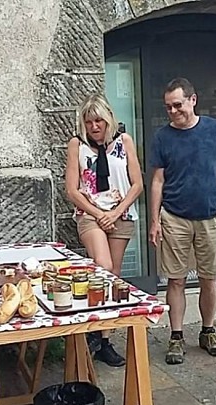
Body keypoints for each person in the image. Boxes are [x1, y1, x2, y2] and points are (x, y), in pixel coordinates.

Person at [149, 77, 216, 365]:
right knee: (175, 279)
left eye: (178, 105)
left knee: (209, 279)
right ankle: (176, 336)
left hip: (209, 216)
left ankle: (208, 330)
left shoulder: (214, 128)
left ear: (193, 100)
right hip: (174, 216)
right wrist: (154, 220)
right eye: (168, 107)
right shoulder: (162, 137)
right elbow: (157, 181)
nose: (173, 111)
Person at [65, 93, 144, 367]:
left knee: (113, 275)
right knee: (103, 265)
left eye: (98, 120)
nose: (94, 126)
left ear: (108, 119)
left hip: (120, 214)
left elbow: (137, 184)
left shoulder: (124, 141)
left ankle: (104, 339)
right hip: (90, 214)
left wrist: (115, 213)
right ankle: (91, 330)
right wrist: (100, 214)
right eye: (89, 122)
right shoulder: (77, 145)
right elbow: (72, 190)